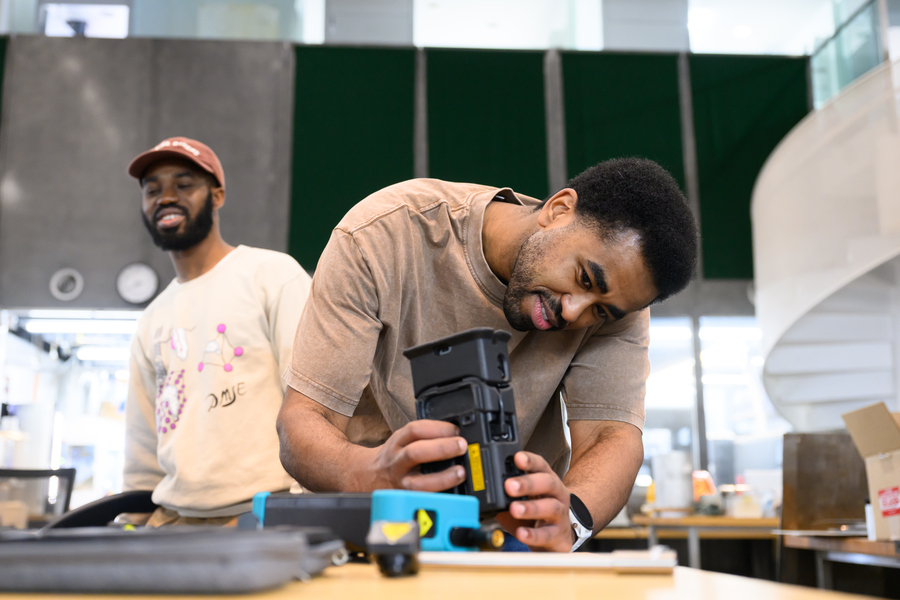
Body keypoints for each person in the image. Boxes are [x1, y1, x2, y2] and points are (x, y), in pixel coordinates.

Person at [277, 158, 698, 551]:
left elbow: (612, 437)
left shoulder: (620, 302)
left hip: (511, 535)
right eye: (584, 278)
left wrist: (567, 521)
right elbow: (304, 420)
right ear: (558, 210)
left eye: (600, 311)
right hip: (380, 516)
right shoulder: (382, 234)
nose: (573, 312)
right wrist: (368, 474)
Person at [123, 137, 312, 526]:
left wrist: (304, 509)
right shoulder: (153, 317)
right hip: (173, 523)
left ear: (218, 195)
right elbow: (142, 447)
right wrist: (131, 525)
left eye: (184, 184)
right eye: (152, 190)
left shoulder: (272, 276)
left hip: (262, 517)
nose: (166, 198)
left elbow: (315, 403)